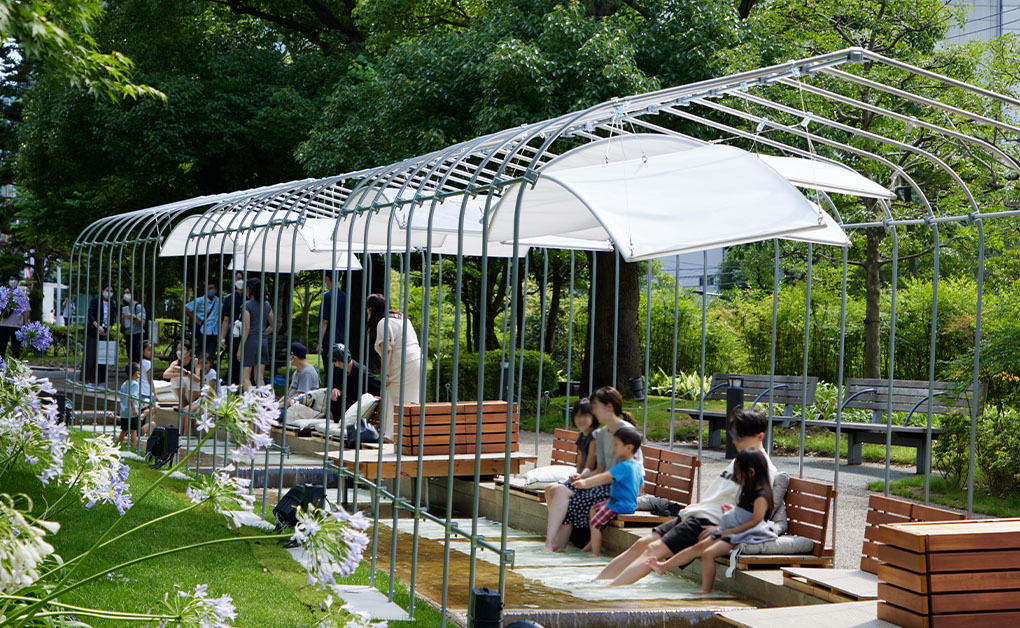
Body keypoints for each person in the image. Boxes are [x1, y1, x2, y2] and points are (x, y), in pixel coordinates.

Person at [594, 407, 777, 586]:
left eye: (739, 437)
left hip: (706, 520)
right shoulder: (741, 459)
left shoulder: (763, 467)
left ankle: (607, 591)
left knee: (653, 551)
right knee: (642, 544)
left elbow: (753, 510)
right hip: (694, 513)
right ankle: (595, 584)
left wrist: (720, 528)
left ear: (759, 436)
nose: (734, 442)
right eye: (733, 436)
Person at [647, 448, 775, 592]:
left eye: (739, 474)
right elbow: (744, 512)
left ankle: (705, 592)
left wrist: (729, 530)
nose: (736, 478)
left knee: (708, 553)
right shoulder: (748, 489)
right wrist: (729, 514)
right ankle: (663, 566)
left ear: (751, 472)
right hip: (735, 526)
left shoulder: (761, 496)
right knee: (698, 547)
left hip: (748, 531)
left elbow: (755, 521)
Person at [543, 386, 644, 552]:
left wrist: (587, 482)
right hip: (600, 484)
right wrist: (583, 478)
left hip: (617, 490)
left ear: (609, 407)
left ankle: (554, 544)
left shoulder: (626, 432)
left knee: (563, 493)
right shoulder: (603, 433)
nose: (593, 410)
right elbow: (600, 468)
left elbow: (636, 472)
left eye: (595, 406)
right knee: (552, 489)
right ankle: (556, 544)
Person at [571, 427, 643, 557]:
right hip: (626, 503)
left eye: (616, 444)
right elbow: (641, 485)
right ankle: (594, 541)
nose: (613, 448)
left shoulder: (623, 466)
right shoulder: (636, 465)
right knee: (594, 508)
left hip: (618, 504)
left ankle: (595, 553)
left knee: (594, 523)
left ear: (628, 448)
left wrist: (585, 482)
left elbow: (604, 477)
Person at [366, 293, 422, 442]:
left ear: (371, 309)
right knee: (411, 398)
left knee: (390, 395)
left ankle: (391, 434)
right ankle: (410, 433)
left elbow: (387, 350)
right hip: (416, 358)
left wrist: (384, 374)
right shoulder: (402, 318)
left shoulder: (383, 323)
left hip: (402, 362)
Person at [328, 342, 381, 422]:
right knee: (335, 399)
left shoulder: (362, 373)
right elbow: (337, 385)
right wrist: (335, 389)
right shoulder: (340, 371)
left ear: (338, 362)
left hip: (358, 405)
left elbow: (378, 387)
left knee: (341, 407)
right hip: (350, 402)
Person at [239, 278, 273, 392]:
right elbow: (272, 325)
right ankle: (264, 404)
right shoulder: (266, 304)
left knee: (245, 378)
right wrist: (262, 333)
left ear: (249, 290)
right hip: (263, 341)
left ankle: (250, 404)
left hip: (250, 341)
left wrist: (240, 349)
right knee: (259, 378)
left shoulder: (247, 305)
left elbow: (246, 328)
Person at [219, 271, 246, 387]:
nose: (239, 281)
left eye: (241, 278)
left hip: (247, 335)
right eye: (237, 279)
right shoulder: (229, 298)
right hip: (234, 336)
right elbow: (226, 320)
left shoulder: (250, 297)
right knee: (234, 361)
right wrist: (222, 337)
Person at [83, 283, 113, 385]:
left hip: (104, 333)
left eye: (111, 291)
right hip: (93, 332)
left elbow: (112, 318)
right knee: (91, 356)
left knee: (102, 357)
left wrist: (108, 328)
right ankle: (89, 381)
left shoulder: (112, 303)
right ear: (102, 291)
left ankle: (100, 381)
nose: (109, 293)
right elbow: (90, 314)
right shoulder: (96, 301)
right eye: (107, 290)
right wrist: (97, 326)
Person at [185, 281, 220, 357]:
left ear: (216, 289)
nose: (211, 290)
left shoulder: (218, 301)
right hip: (203, 331)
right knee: (201, 353)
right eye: (209, 288)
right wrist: (195, 319)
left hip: (215, 332)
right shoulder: (200, 301)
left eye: (212, 288)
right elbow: (186, 308)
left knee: (210, 354)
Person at [318, 272, 347, 365]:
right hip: (342, 339)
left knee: (329, 371)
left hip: (329, 341)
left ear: (327, 279)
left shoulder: (327, 297)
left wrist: (320, 342)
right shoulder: (345, 297)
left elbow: (324, 322)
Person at [280, 342, 319, 407]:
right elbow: (289, 392)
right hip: (290, 404)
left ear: (293, 357)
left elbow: (300, 396)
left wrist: (279, 406)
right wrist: (277, 403)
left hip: (298, 407)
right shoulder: (297, 371)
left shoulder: (307, 372)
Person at [163, 340, 200, 407]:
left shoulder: (195, 361)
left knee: (192, 379)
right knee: (175, 379)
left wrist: (187, 373)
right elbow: (165, 375)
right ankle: (183, 403)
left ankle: (192, 404)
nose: (179, 351)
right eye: (178, 349)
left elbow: (198, 379)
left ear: (189, 351)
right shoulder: (176, 363)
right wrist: (181, 374)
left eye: (182, 349)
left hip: (193, 391)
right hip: (183, 392)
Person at [120, 287, 146, 380]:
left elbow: (143, 322)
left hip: (137, 335)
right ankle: (133, 376)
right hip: (128, 334)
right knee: (131, 357)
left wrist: (133, 316)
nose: (125, 294)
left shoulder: (138, 307)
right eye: (124, 292)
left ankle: (139, 377)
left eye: (128, 292)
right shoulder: (125, 308)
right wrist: (123, 319)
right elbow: (123, 326)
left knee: (137, 357)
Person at [0, 273, 29, 358]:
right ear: (7, 281)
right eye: (11, 279)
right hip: (3, 324)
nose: (13, 281)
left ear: (18, 282)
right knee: (1, 348)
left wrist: (26, 325)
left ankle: (15, 367)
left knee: (16, 349)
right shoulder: (3, 293)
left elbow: (25, 312)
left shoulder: (22, 295)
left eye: (15, 279)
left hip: (17, 325)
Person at [570, 398, 599, 476]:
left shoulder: (595, 436)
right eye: (578, 415)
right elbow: (581, 463)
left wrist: (579, 478)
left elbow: (590, 467)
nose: (581, 419)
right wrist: (576, 475)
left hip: (595, 479)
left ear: (594, 417)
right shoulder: (582, 435)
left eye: (585, 416)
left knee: (556, 488)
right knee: (552, 487)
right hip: (585, 477)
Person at [118, 363, 143, 449]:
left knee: (124, 429)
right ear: (136, 372)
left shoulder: (124, 383)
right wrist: (134, 409)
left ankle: (118, 443)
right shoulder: (135, 384)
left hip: (124, 411)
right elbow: (131, 397)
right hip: (132, 411)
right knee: (133, 429)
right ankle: (134, 446)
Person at [139, 340, 155, 407]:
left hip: (141, 389)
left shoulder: (141, 362)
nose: (151, 352)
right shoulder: (148, 363)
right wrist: (154, 392)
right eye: (149, 350)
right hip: (147, 391)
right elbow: (150, 379)